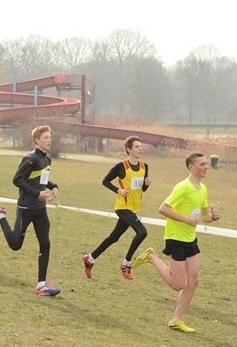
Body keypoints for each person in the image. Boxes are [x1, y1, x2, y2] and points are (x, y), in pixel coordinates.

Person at [131, 153, 221, 333]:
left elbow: (203, 216)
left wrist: (213, 217)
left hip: (190, 238)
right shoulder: (182, 187)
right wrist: (186, 220)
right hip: (175, 238)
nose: (206, 167)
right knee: (178, 284)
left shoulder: (202, 188)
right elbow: (163, 208)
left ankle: (176, 320)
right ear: (191, 167)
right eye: (202, 164)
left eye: (206, 164)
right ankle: (151, 257)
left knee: (193, 280)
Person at [0, 125, 61, 297]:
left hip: (40, 209)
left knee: (46, 243)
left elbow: (41, 178)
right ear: (37, 140)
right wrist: (37, 193)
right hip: (26, 207)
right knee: (15, 245)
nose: (49, 140)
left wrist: (53, 186)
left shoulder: (47, 159)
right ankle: (0, 215)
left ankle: (42, 284)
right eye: (46, 137)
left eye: (50, 137)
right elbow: (17, 179)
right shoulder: (30, 159)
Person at [83, 136, 150, 280]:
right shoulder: (121, 166)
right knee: (142, 232)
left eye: (140, 146)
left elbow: (141, 189)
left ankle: (90, 258)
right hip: (122, 207)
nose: (140, 149)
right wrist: (118, 191)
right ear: (129, 150)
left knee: (114, 237)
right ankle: (126, 263)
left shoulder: (145, 166)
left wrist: (147, 184)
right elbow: (105, 181)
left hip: (134, 208)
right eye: (137, 146)